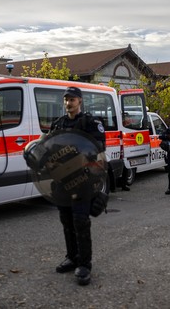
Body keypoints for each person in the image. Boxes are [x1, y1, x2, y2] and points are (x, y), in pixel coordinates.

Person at [49, 86, 106, 286]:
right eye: (65, 99)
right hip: (63, 182)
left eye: (71, 99)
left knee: (81, 221)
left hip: (83, 181)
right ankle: (72, 257)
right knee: (66, 221)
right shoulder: (58, 124)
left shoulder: (91, 123)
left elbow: (98, 148)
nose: (68, 103)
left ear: (79, 101)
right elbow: (48, 149)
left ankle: (84, 265)